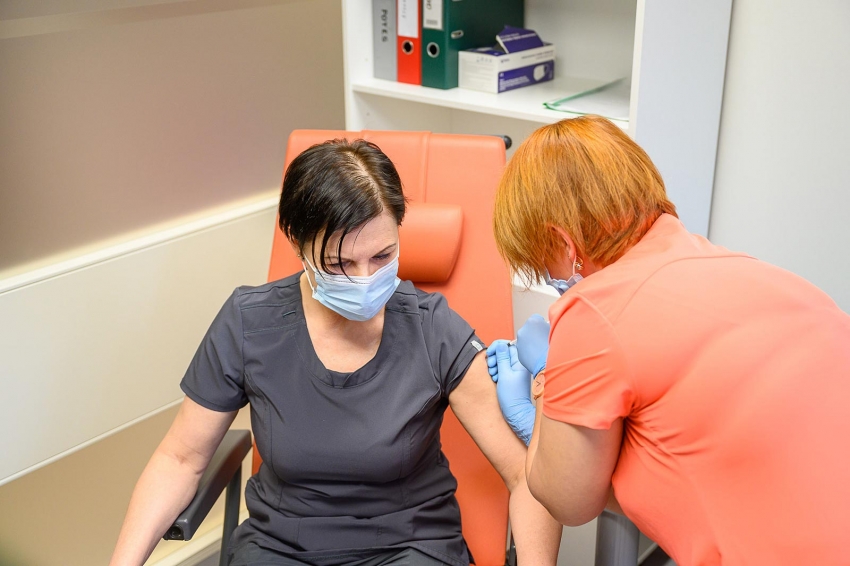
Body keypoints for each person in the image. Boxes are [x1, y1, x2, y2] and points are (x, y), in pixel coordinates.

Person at [109, 139, 561, 566]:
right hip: (279, 547)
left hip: (407, 547)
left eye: (382, 256)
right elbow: (180, 459)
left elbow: (528, 477)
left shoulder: (433, 329)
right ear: (298, 246)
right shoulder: (250, 323)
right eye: (340, 264)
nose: (365, 280)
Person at [485, 115, 850, 565]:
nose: (549, 278)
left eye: (542, 263)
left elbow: (569, 501)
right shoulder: (753, 273)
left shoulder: (595, 312)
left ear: (563, 244)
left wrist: (546, 381)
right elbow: (687, 462)